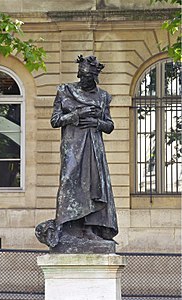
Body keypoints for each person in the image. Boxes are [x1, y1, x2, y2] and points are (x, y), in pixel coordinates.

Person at [50, 55, 118, 243]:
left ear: (95, 76)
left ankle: (90, 228)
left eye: (88, 77)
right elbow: (55, 121)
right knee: (70, 184)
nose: (84, 79)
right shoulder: (65, 91)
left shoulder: (103, 96)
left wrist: (97, 122)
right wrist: (77, 114)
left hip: (93, 147)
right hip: (72, 146)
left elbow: (110, 125)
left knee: (94, 185)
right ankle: (67, 227)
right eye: (82, 75)